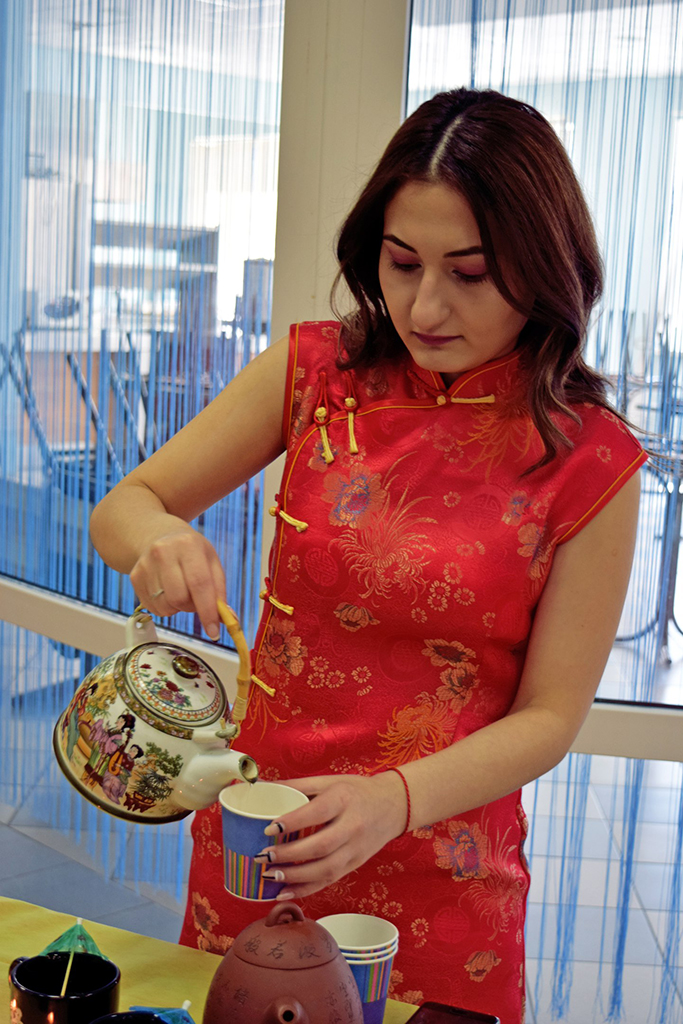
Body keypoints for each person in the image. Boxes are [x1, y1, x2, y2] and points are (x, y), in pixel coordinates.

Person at [89, 88, 646, 1024]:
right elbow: (124, 507)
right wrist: (159, 537)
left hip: (443, 868)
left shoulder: (587, 456)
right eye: (401, 262)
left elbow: (551, 715)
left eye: (470, 273)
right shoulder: (318, 373)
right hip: (265, 845)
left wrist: (394, 798)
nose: (424, 305)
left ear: (546, 265)